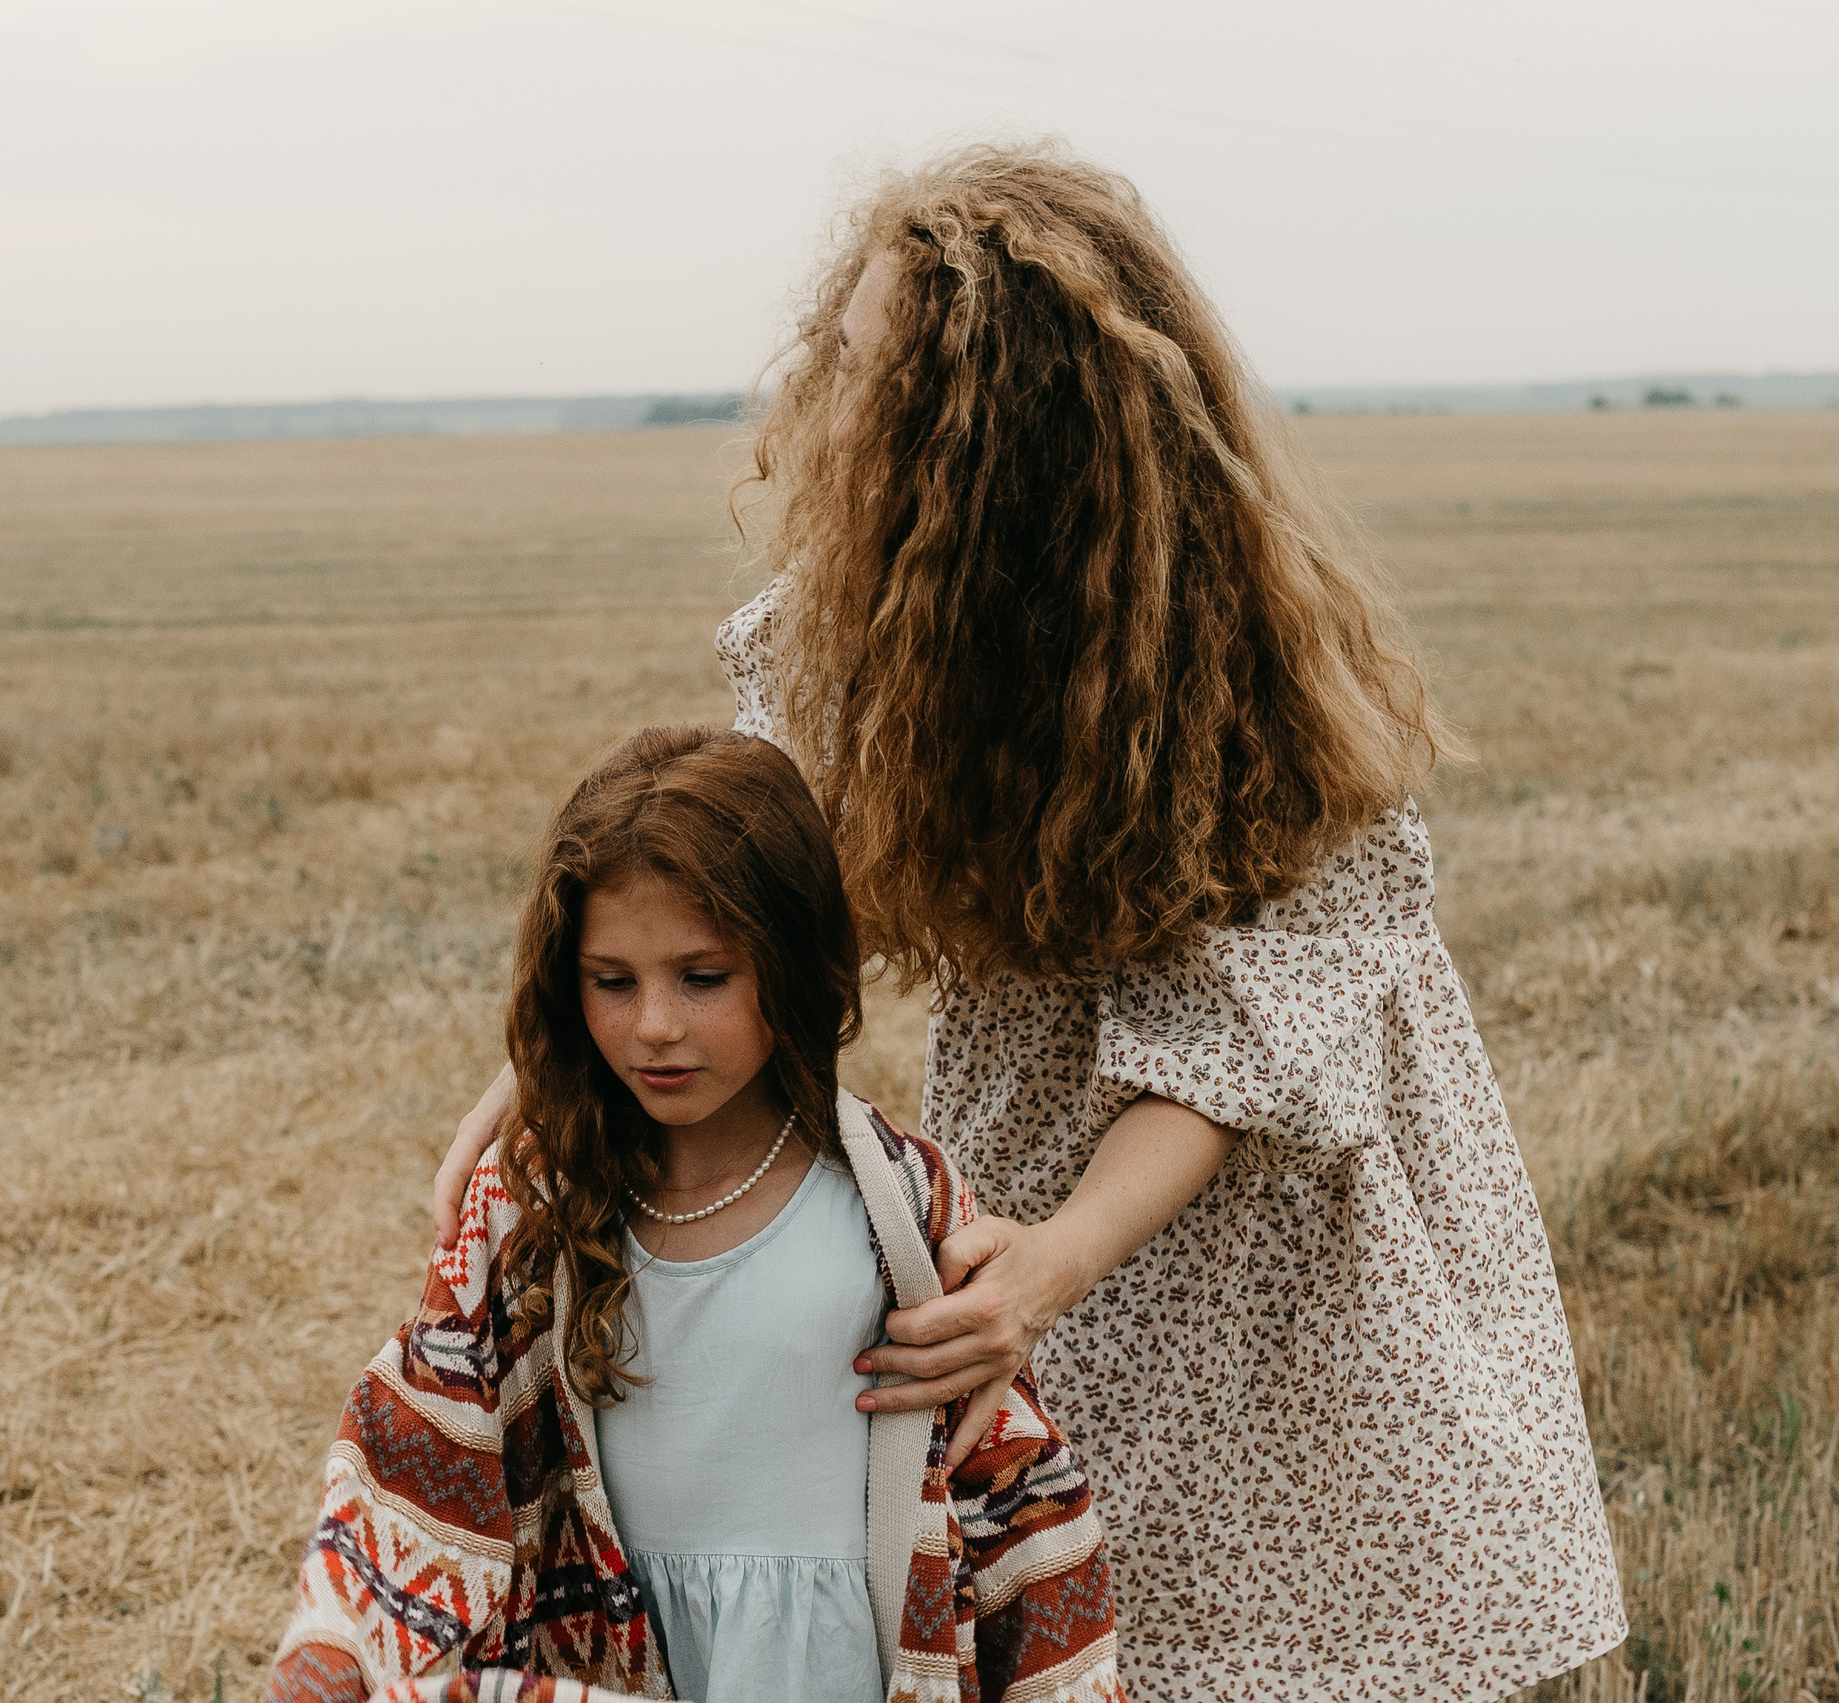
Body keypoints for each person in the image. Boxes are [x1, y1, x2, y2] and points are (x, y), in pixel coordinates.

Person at [431, 146, 1627, 1702]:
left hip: (1289, 1222)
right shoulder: (862, 629)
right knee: (1071, 1599)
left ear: (990, 427)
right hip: (1044, 1169)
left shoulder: (1235, 659)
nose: (823, 392)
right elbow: (755, 866)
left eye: (867, 370)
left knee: (1287, 1624)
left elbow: (1230, 1055)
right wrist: (532, 1079)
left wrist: (1055, 1258)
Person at [269, 726, 1122, 1703]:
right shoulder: (536, 1211)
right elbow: (416, 1460)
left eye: (702, 976)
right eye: (612, 981)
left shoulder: (901, 1207)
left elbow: (1008, 1493)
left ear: (794, 965)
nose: (656, 1026)